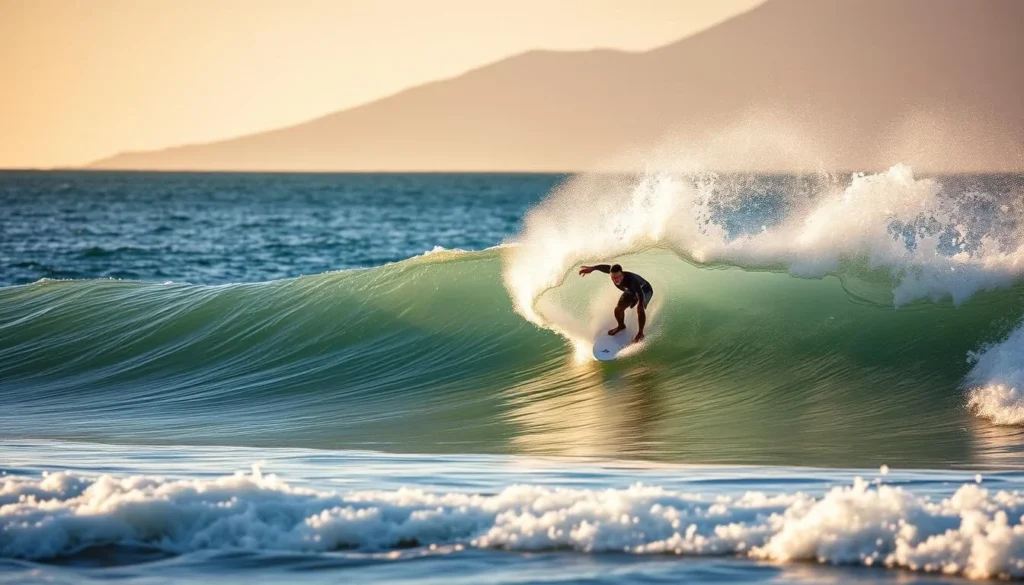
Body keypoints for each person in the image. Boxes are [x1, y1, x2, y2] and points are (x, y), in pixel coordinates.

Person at [578, 263, 653, 344]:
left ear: (622, 274)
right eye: (613, 278)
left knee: (640, 308)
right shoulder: (613, 272)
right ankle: (621, 326)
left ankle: (640, 333)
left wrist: (639, 303)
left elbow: (640, 294)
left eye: (617, 277)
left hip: (645, 290)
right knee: (618, 309)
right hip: (630, 291)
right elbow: (604, 267)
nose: (615, 280)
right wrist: (592, 268)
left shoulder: (632, 280)